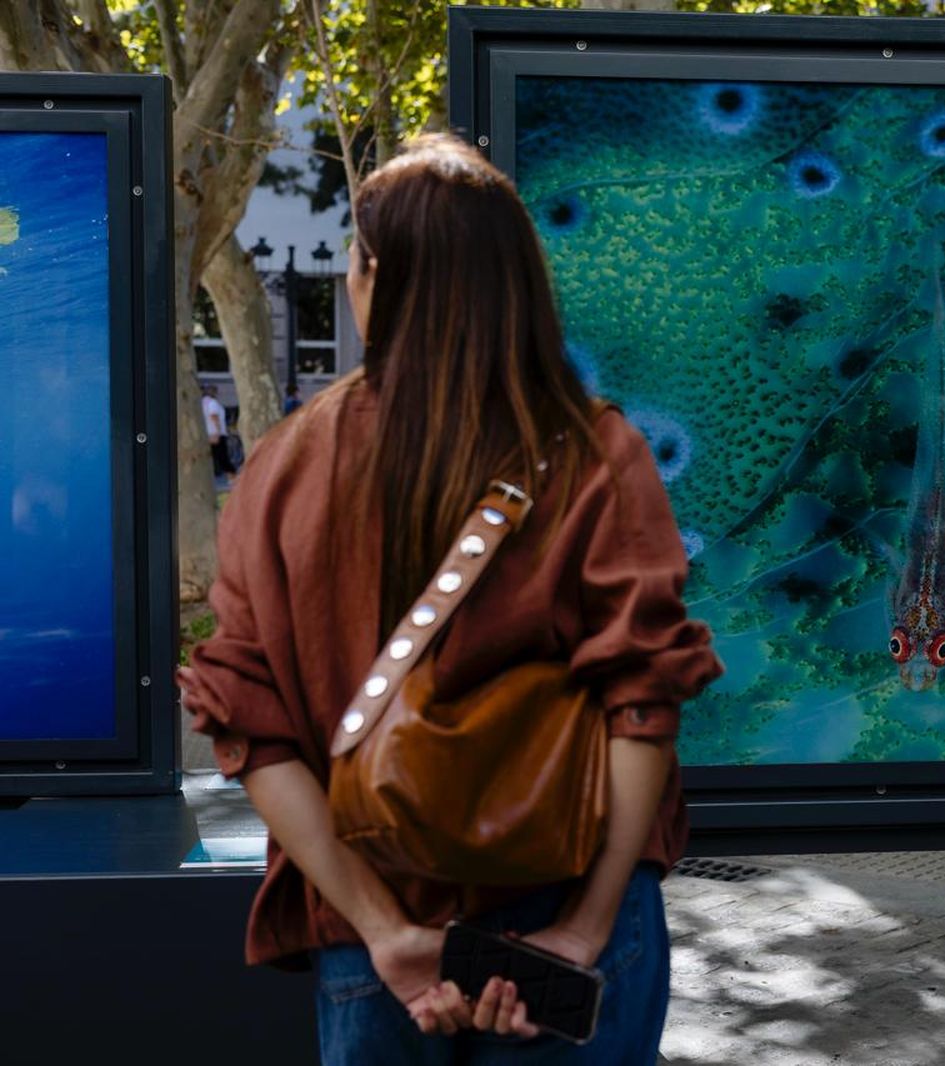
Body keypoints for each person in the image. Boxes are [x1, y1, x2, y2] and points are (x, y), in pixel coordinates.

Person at [176, 134, 723, 1064]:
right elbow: (643, 708)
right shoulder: (594, 454)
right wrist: (584, 932)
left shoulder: (281, 466)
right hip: (563, 914)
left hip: (368, 932)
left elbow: (250, 727)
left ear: (377, 277)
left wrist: (385, 930)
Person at [202, 384, 236, 485]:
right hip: (217, 434)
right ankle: (233, 478)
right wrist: (217, 431)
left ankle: (231, 478)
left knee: (214, 458)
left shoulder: (202, 402)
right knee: (223, 458)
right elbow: (214, 416)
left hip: (209, 433)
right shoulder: (212, 403)